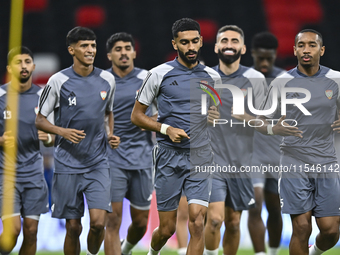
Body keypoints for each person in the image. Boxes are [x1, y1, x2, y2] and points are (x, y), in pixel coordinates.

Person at [131, 18, 221, 255]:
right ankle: (153, 251)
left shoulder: (213, 77)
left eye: (194, 41)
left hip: (201, 155)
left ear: (201, 41)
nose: (190, 47)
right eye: (184, 42)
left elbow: (216, 113)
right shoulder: (158, 74)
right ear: (175, 44)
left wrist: (215, 118)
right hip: (168, 157)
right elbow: (137, 116)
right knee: (168, 228)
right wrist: (165, 129)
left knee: (197, 221)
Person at [35, 26, 120, 255]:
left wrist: (110, 134)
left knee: (98, 223)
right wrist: (62, 132)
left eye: (93, 45)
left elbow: (108, 112)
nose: (90, 50)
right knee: (73, 227)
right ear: (72, 49)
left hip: (98, 163)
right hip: (67, 164)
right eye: (84, 46)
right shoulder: (58, 81)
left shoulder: (107, 79)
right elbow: (40, 120)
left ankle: (92, 253)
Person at [256, 29, 340, 255]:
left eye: (312, 45)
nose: (306, 50)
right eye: (301, 45)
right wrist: (274, 128)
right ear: (294, 50)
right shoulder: (282, 82)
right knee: (301, 227)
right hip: (294, 161)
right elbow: (259, 120)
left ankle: (314, 252)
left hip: (326, 162)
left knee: (331, 230)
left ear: (321, 50)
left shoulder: (335, 79)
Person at [204, 25, 267, 255]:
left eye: (234, 41)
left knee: (233, 222)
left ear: (242, 48)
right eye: (224, 41)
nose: (228, 45)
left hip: (242, 163)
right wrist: (204, 119)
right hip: (211, 162)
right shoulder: (204, 77)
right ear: (216, 46)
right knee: (214, 220)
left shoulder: (255, 78)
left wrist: (246, 117)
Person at [103, 32, 155, 255]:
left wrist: (151, 122)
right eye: (118, 49)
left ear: (134, 52)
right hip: (111, 159)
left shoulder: (149, 78)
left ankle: (126, 249)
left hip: (143, 159)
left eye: (127, 48)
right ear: (109, 55)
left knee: (141, 223)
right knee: (112, 222)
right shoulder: (100, 81)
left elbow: (166, 114)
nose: (123, 52)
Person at [0, 46, 52, 255]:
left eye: (27, 62)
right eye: (18, 62)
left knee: (31, 232)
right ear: (9, 68)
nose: (23, 66)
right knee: (13, 231)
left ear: (33, 66)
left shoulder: (44, 97)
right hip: (6, 175)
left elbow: (56, 136)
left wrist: (49, 138)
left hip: (34, 176)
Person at [248, 32, 285, 255]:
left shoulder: (286, 82)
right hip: (252, 155)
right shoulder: (243, 80)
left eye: (268, 59)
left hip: (278, 155)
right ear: (252, 54)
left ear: (275, 55)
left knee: (274, 210)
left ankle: (272, 252)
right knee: (255, 204)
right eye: (259, 58)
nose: (264, 63)